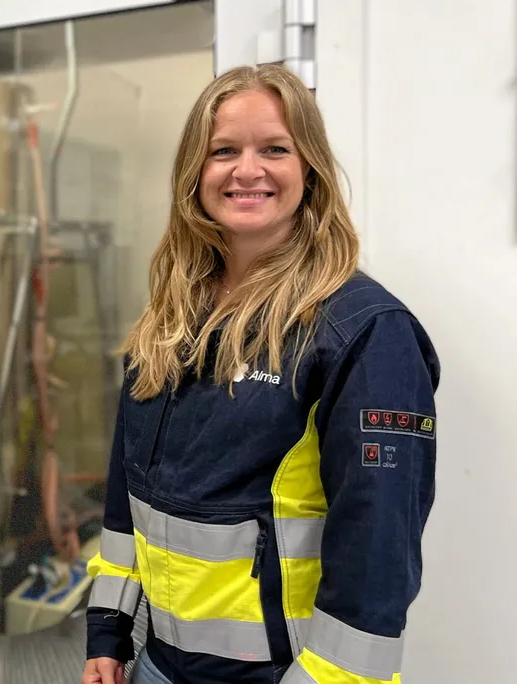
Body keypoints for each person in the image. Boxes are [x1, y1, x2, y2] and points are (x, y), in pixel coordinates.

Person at [82, 63, 438, 684]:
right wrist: (107, 632)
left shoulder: (363, 332)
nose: (247, 171)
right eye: (224, 151)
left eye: (275, 148)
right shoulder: (171, 315)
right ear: (194, 172)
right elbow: (128, 492)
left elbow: (378, 548)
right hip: (158, 664)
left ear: (310, 168)